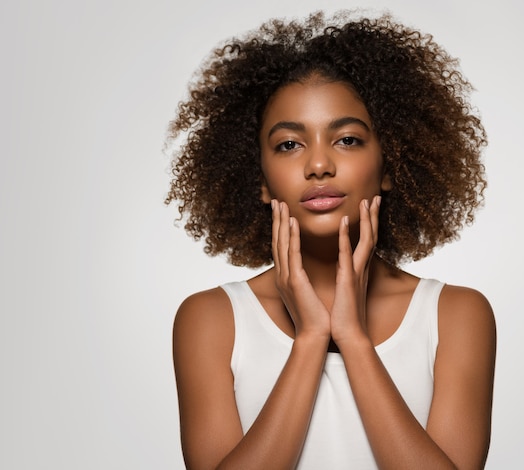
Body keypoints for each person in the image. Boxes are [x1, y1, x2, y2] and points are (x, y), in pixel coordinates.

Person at [166, 10, 496, 470]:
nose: (318, 165)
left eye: (347, 139)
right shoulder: (211, 321)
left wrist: (353, 340)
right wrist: (311, 339)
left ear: (389, 166)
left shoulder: (456, 315)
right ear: (259, 179)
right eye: (288, 144)